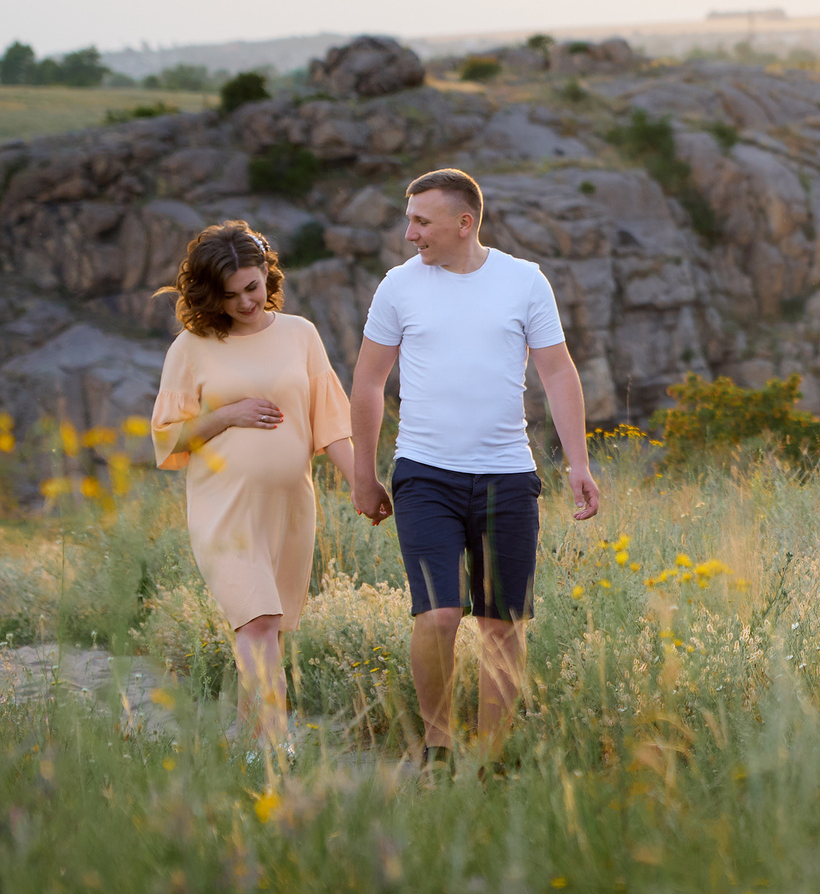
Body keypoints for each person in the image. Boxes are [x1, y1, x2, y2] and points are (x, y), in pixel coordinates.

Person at [348, 168, 601, 776]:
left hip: (507, 476)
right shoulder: (398, 286)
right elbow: (369, 381)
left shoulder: (524, 281)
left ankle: (489, 761)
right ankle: (437, 750)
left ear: (464, 223)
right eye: (408, 220)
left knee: (501, 626)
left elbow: (558, 372)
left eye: (421, 221)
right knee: (438, 615)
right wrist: (363, 471)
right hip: (424, 474)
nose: (409, 234)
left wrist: (578, 463)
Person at [148, 221, 371, 752]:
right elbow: (167, 437)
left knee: (266, 629)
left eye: (251, 287)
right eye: (230, 296)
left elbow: (330, 423)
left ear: (267, 274)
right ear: (210, 296)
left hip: (289, 506)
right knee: (259, 618)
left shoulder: (300, 333)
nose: (246, 302)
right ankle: (276, 748)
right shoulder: (191, 347)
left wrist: (362, 484)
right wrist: (227, 414)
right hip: (224, 507)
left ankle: (249, 751)